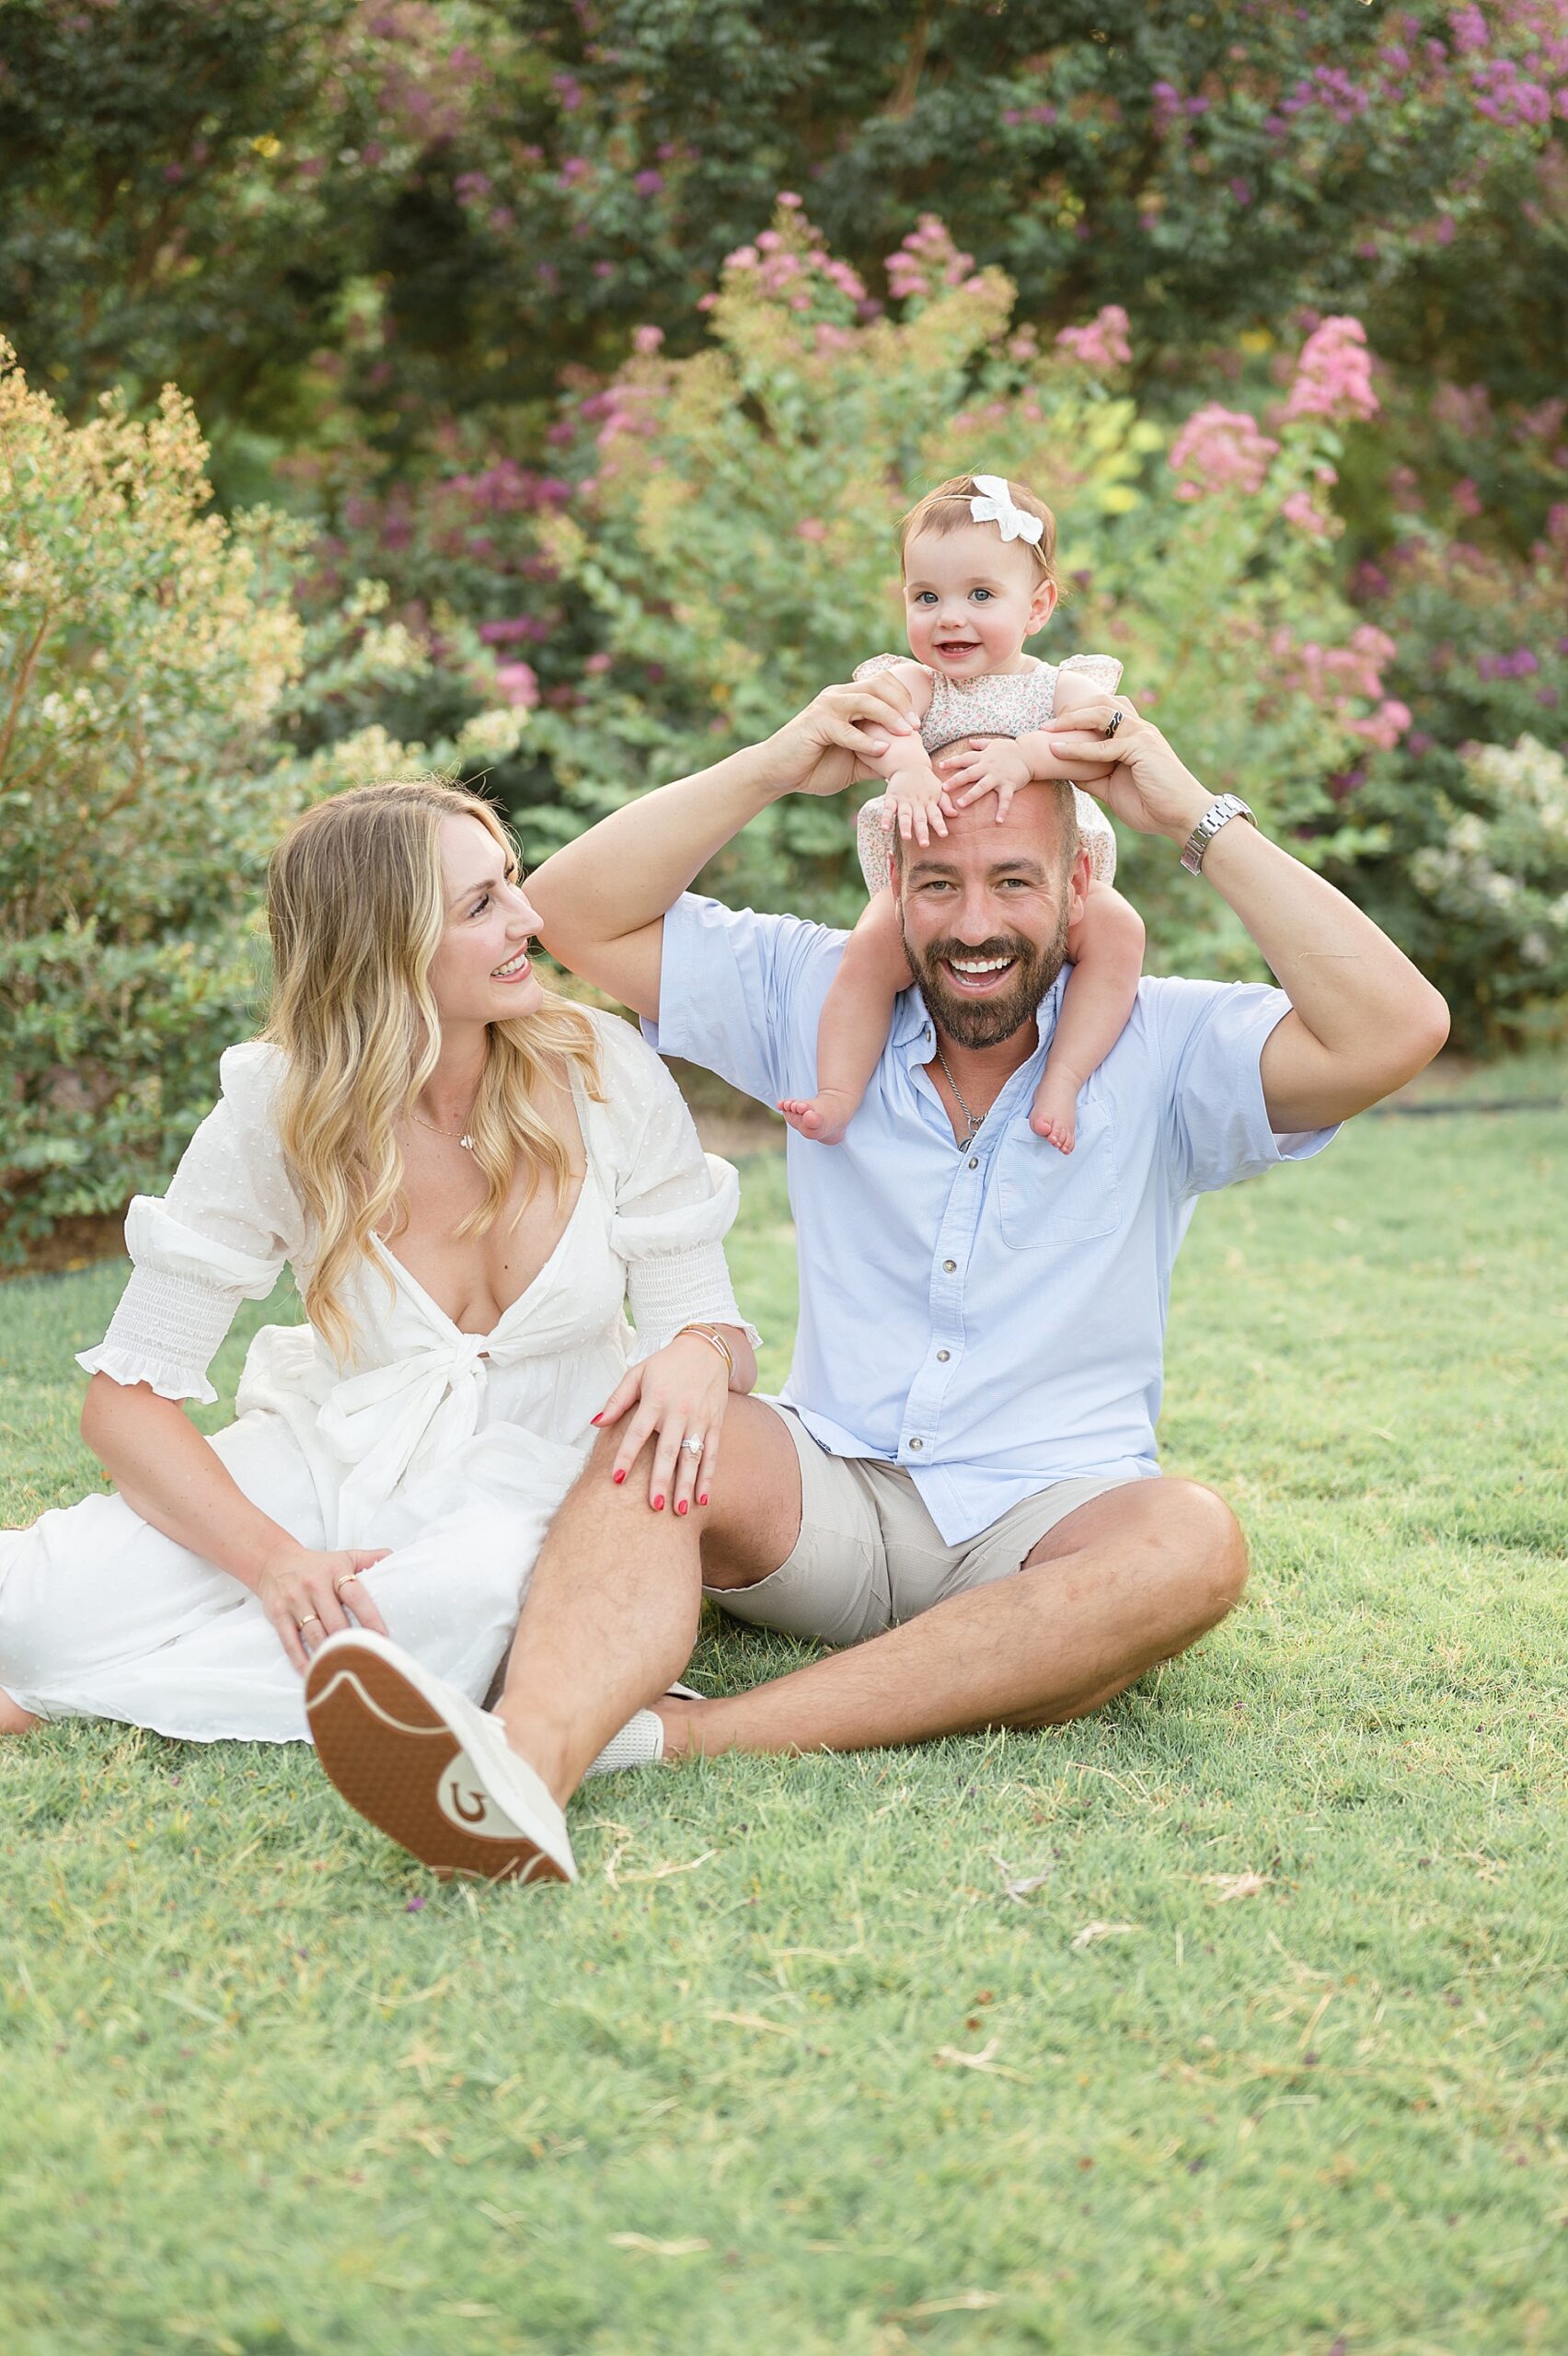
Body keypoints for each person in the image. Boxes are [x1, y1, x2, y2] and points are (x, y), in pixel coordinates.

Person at [295, 676, 1450, 1891]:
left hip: (1044, 1520)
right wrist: (778, 763)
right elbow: (569, 912)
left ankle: (691, 1733)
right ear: (891, 893)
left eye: (1014, 880)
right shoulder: (814, 999)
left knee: (1192, 1545)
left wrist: (1191, 817)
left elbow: (1394, 1028)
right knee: (663, 1425)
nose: (973, 924)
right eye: (935, 884)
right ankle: (517, 1769)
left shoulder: (1167, 1044)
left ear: (1078, 890)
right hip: (826, 1492)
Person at [0, 780, 757, 1805]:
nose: (530, 919)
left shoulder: (605, 1074)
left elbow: (711, 1334)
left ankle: (65, 1701)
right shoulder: (279, 1106)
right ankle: (129, 1655)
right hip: (335, 1454)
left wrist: (699, 1351)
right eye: (482, 904)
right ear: (382, 947)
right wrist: (273, 1562)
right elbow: (126, 1401)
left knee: (457, 1605)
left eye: (513, 884)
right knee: (35, 1610)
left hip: (542, 1491)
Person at [778, 471, 1145, 1154]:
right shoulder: (917, 681)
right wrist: (908, 765)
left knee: (1119, 934)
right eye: (927, 596)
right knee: (865, 957)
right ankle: (837, 1091)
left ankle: (1062, 1077)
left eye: (980, 595)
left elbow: (1109, 731)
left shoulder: (1055, 687)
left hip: (1048, 872)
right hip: (930, 873)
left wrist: (1031, 757)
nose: (950, 616)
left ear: (1037, 608)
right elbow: (876, 724)